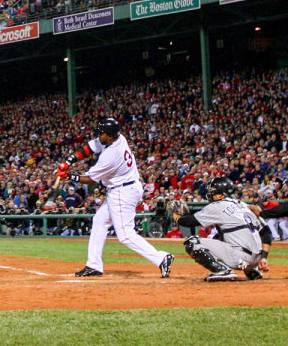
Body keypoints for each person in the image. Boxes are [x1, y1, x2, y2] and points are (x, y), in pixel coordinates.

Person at [64, 116, 173, 278]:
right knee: (99, 221)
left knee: (126, 234)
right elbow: (90, 147)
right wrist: (69, 161)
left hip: (123, 192)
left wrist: (69, 176)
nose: (99, 136)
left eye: (101, 133)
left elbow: (90, 179)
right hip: (124, 188)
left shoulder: (112, 155)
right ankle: (94, 265)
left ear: (109, 135)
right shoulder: (118, 138)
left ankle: (161, 258)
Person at [172, 177, 267, 281]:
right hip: (257, 259)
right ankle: (252, 270)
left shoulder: (217, 205)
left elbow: (189, 222)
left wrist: (177, 217)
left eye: (212, 191)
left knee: (192, 242)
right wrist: (263, 257)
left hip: (240, 257)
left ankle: (222, 270)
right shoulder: (243, 205)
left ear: (221, 194)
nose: (210, 194)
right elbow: (266, 231)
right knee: (219, 236)